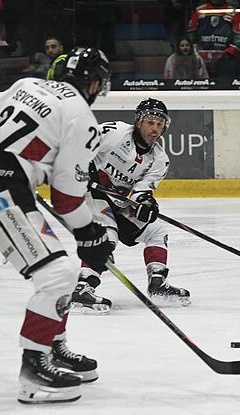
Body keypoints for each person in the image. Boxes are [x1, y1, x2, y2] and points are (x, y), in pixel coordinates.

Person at [0, 47, 113, 404]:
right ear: (93, 83)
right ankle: (34, 369)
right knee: (58, 274)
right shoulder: (81, 115)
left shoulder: (27, 83)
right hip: (2, 193)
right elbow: (66, 198)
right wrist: (90, 232)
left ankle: (53, 346)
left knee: (55, 270)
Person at [70, 98, 191, 315]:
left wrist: (146, 203)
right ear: (138, 122)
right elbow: (80, 143)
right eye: (150, 122)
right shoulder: (114, 132)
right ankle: (83, 287)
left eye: (159, 124)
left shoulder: (159, 160)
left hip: (118, 202)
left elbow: (142, 191)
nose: (155, 128)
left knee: (156, 230)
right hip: (91, 193)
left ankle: (157, 285)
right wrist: (81, 166)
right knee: (108, 235)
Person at [188, 0, 240, 78]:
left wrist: (227, 54)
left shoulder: (233, 12)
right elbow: (191, 33)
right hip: (201, 59)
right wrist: (195, 52)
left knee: (225, 86)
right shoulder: (200, 10)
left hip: (226, 59)